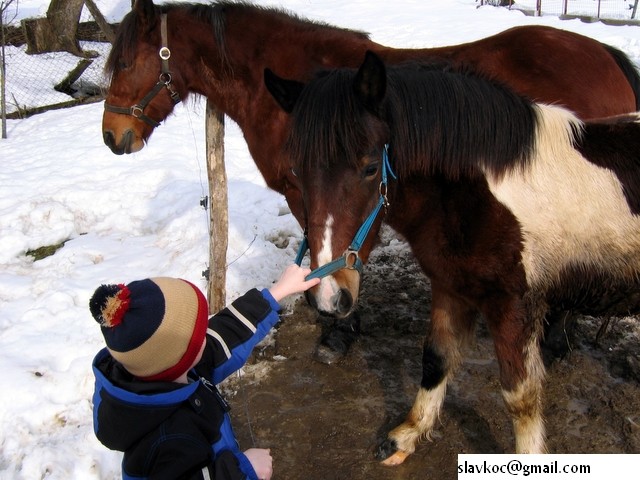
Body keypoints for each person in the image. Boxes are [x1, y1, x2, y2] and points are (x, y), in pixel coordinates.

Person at [89, 264, 320, 480]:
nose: (207, 333)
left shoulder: (166, 371)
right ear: (181, 357)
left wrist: (276, 293)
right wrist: (242, 469)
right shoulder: (168, 439)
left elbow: (225, 335)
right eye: (200, 332)